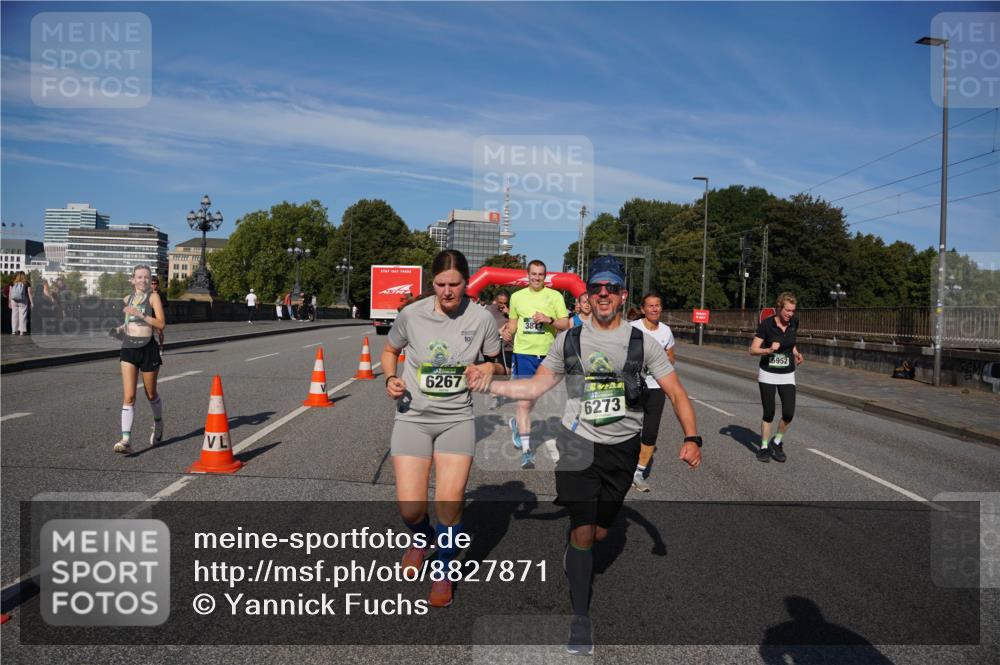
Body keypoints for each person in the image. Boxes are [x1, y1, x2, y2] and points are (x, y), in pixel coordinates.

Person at [475, 255, 701, 655]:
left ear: (622, 295)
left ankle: (579, 544)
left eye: (610, 288)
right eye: (595, 287)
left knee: (600, 531)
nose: (602, 294)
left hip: (623, 447)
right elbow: (535, 387)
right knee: (583, 530)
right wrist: (491, 384)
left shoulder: (641, 343)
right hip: (577, 443)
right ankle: (580, 617)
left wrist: (692, 437)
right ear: (588, 294)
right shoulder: (569, 340)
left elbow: (676, 392)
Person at [381, 249, 503, 608]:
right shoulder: (411, 315)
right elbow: (390, 350)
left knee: (449, 502)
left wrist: (486, 371)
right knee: (410, 508)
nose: (447, 291)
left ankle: (444, 570)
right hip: (412, 417)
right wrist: (390, 377)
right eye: (440, 284)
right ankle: (422, 538)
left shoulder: (481, 319)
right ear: (431, 283)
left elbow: (499, 364)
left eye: (455, 284)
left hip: (456, 419)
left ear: (467, 282)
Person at [502, 260, 571, 469]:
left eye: (541, 274)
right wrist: (508, 333)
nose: (537, 278)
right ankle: (526, 451)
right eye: (533, 274)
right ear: (528, 275)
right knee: (524, 402)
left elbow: (565, 323)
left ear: (545, 276)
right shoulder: (517, 297)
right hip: (524, 354)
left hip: (548, 356)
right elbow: (513, 323)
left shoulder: (555, 296)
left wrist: (549, 319)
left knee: (533, 399)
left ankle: (516, 424)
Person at [112, 265, 166, 454]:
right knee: (129, 395)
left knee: (151, 394)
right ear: (132, 280)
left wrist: (142, 314)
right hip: (129, 348)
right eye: (139, 277)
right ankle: (126, 440)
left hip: (147, 349)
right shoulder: (127, 299)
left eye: (146, 277)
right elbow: (129, 323)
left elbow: (161, 323)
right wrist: (119, 329)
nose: (143, 280)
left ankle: (158, 424)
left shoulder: (153, 297)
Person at [629, 293, 676, 492]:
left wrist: (660, 363)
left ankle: (638, 473)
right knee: (629, 428)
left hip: (656, 386)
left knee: (650, 431)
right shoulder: (633, 328)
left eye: (657, 305)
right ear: (643, 309)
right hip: (633, 384)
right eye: (650, 306)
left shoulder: (666, 331)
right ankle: (623, 465)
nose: (654, 309)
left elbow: (671, 358)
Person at [750, 292, 804, 463]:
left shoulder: (794, 323)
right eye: (787, 310)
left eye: (793, 311)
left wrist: (796, 353)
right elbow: (752, 349)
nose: (790, 314)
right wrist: (768, 350)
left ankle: (777, 441)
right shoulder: (767, 325)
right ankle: (764, 447)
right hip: (767, 373)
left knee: (788, 412)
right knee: (769, 412)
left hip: (787, 374)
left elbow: (791, 341)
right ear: (779, 308)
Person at [485, 291, 513, 409]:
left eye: (505, 303)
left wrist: (510, 313)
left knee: (506, 372)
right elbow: (483, 325)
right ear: (496, 300)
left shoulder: (512, 310)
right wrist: (497, 331)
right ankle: (495, 397)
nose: (502, 305)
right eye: (500, 302)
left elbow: (519, 323)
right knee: (494, 371)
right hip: (491, 345)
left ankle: (500, 392)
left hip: (508, 346)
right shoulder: (489, 309)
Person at [8, 271, 33, 336]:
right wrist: (32, 302)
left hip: (14, 300)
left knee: (14, 315)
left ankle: (14, 330)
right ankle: (22, 331)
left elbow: (10, 293)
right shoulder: (26, 283)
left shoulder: (12, 283)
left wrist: (9, 302)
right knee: (23, 315)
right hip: (23, 300)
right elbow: (29, 293)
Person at [150, 275, 167, 355]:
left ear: (158, 284)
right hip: (150, 315)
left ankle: (161, 347)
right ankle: (151, 348)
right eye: (152, 283)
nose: (154, 285)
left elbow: (166, 304)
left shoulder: (161, 294)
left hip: (158, 316)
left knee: (159, 332)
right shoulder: (148, 294)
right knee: (149, 333)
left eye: (155, 283)